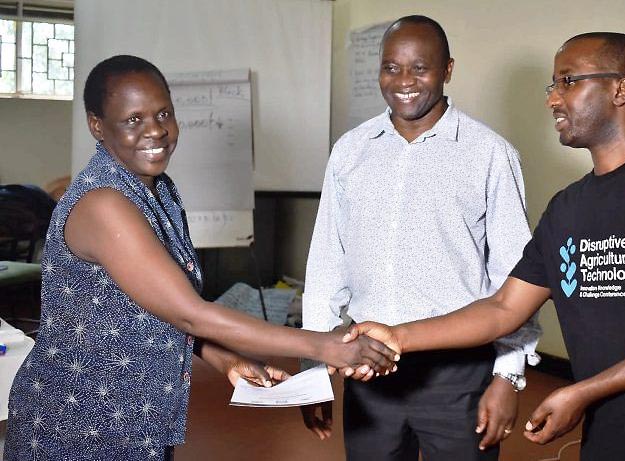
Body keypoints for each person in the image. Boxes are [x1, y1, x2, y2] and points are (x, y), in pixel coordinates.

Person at [350, 32, 625, 460]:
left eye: (569, 81)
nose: (553, 99)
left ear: (620, 89)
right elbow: (502, 309)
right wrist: (397, 336)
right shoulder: (567, 208)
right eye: (553, 85)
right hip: (611, 438)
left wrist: (582, 392)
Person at [3, 55, 397, 461]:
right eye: (133, 120)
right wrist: (325, 346)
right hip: (77, 423)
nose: (155, 129)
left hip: (132, 415)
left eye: (163, 113)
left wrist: (225, 358)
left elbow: (156, 310)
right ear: (97, 126)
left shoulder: (158, 190)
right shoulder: (105, 204)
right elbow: (191, 313)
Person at [300, 15, 540, 461]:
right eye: (391, 67)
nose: (404, 81)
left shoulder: (489, 153)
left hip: (458, 373)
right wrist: (314, 372)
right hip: (368, 370)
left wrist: (508, 376)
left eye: (420, 68)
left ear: (447, 69)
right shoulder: (351, 150)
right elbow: (327, 263)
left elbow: (514, 275)